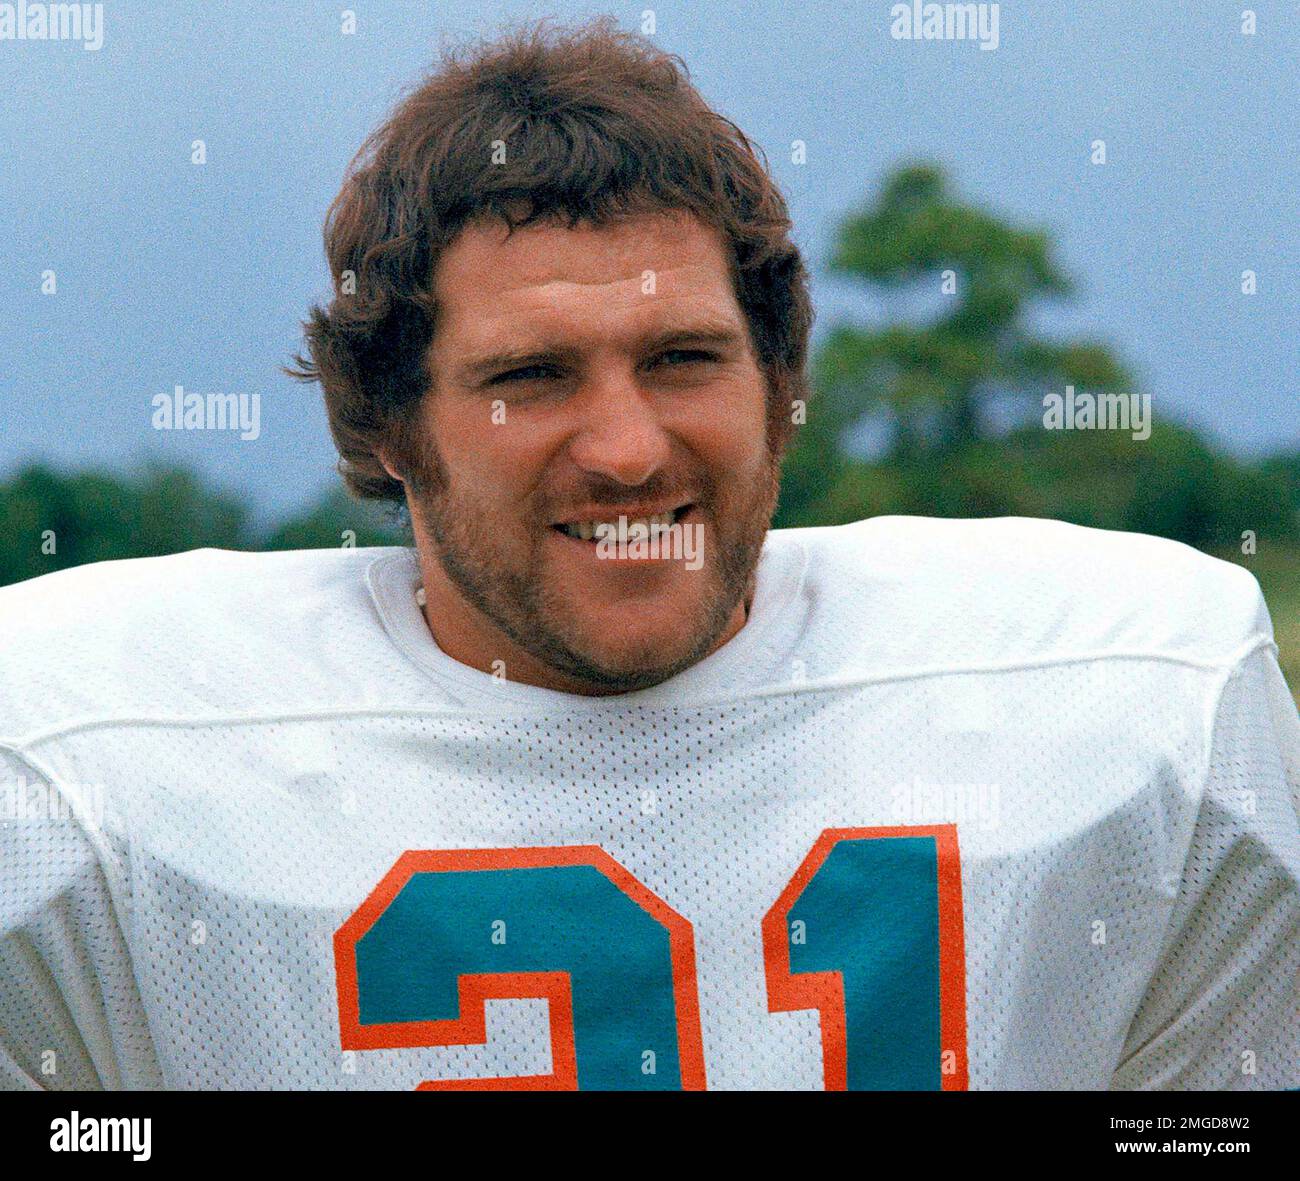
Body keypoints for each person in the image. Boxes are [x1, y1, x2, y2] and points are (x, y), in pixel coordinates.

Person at [1, 18, 1296, 1091]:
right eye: (533, 376)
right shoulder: (84, 759)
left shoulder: (1135, 690)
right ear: (390, 423)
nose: (625, 449)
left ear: (781, 382)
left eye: (683, 358)